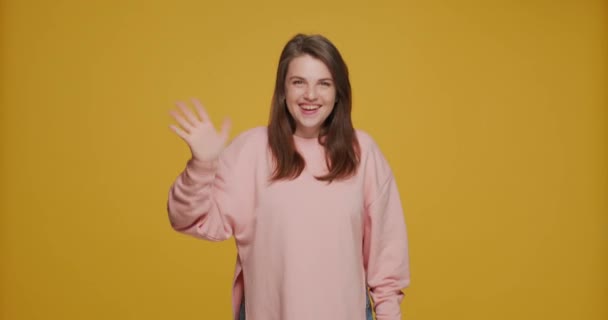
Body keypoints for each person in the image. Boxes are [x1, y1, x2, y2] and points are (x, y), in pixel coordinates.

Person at [167, 33, 410, 320]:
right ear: (283, 90)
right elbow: (188, 219)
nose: (311, 95)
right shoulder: (251, 150)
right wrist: (202, 165)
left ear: (338, 93)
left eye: (324, 84)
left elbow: (386, 258)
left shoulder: (363, 153)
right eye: (299, 82)